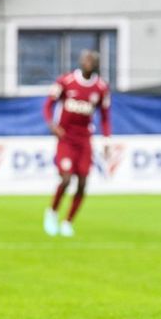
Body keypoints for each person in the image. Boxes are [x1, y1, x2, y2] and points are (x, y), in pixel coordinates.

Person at [43, 50, 111, 237]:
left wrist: (107, 140)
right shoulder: (66, 81)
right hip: (66, 138)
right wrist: (52, 124)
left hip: (84, 140)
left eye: (91, 60)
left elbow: (105, 116)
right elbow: (48, 105)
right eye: (85, 59)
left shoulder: (101, 87)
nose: (88, 62)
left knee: (82, 183)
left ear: (96, 64)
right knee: (66, 179)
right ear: (80, 62)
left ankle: (68, 222)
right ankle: (52, 212)